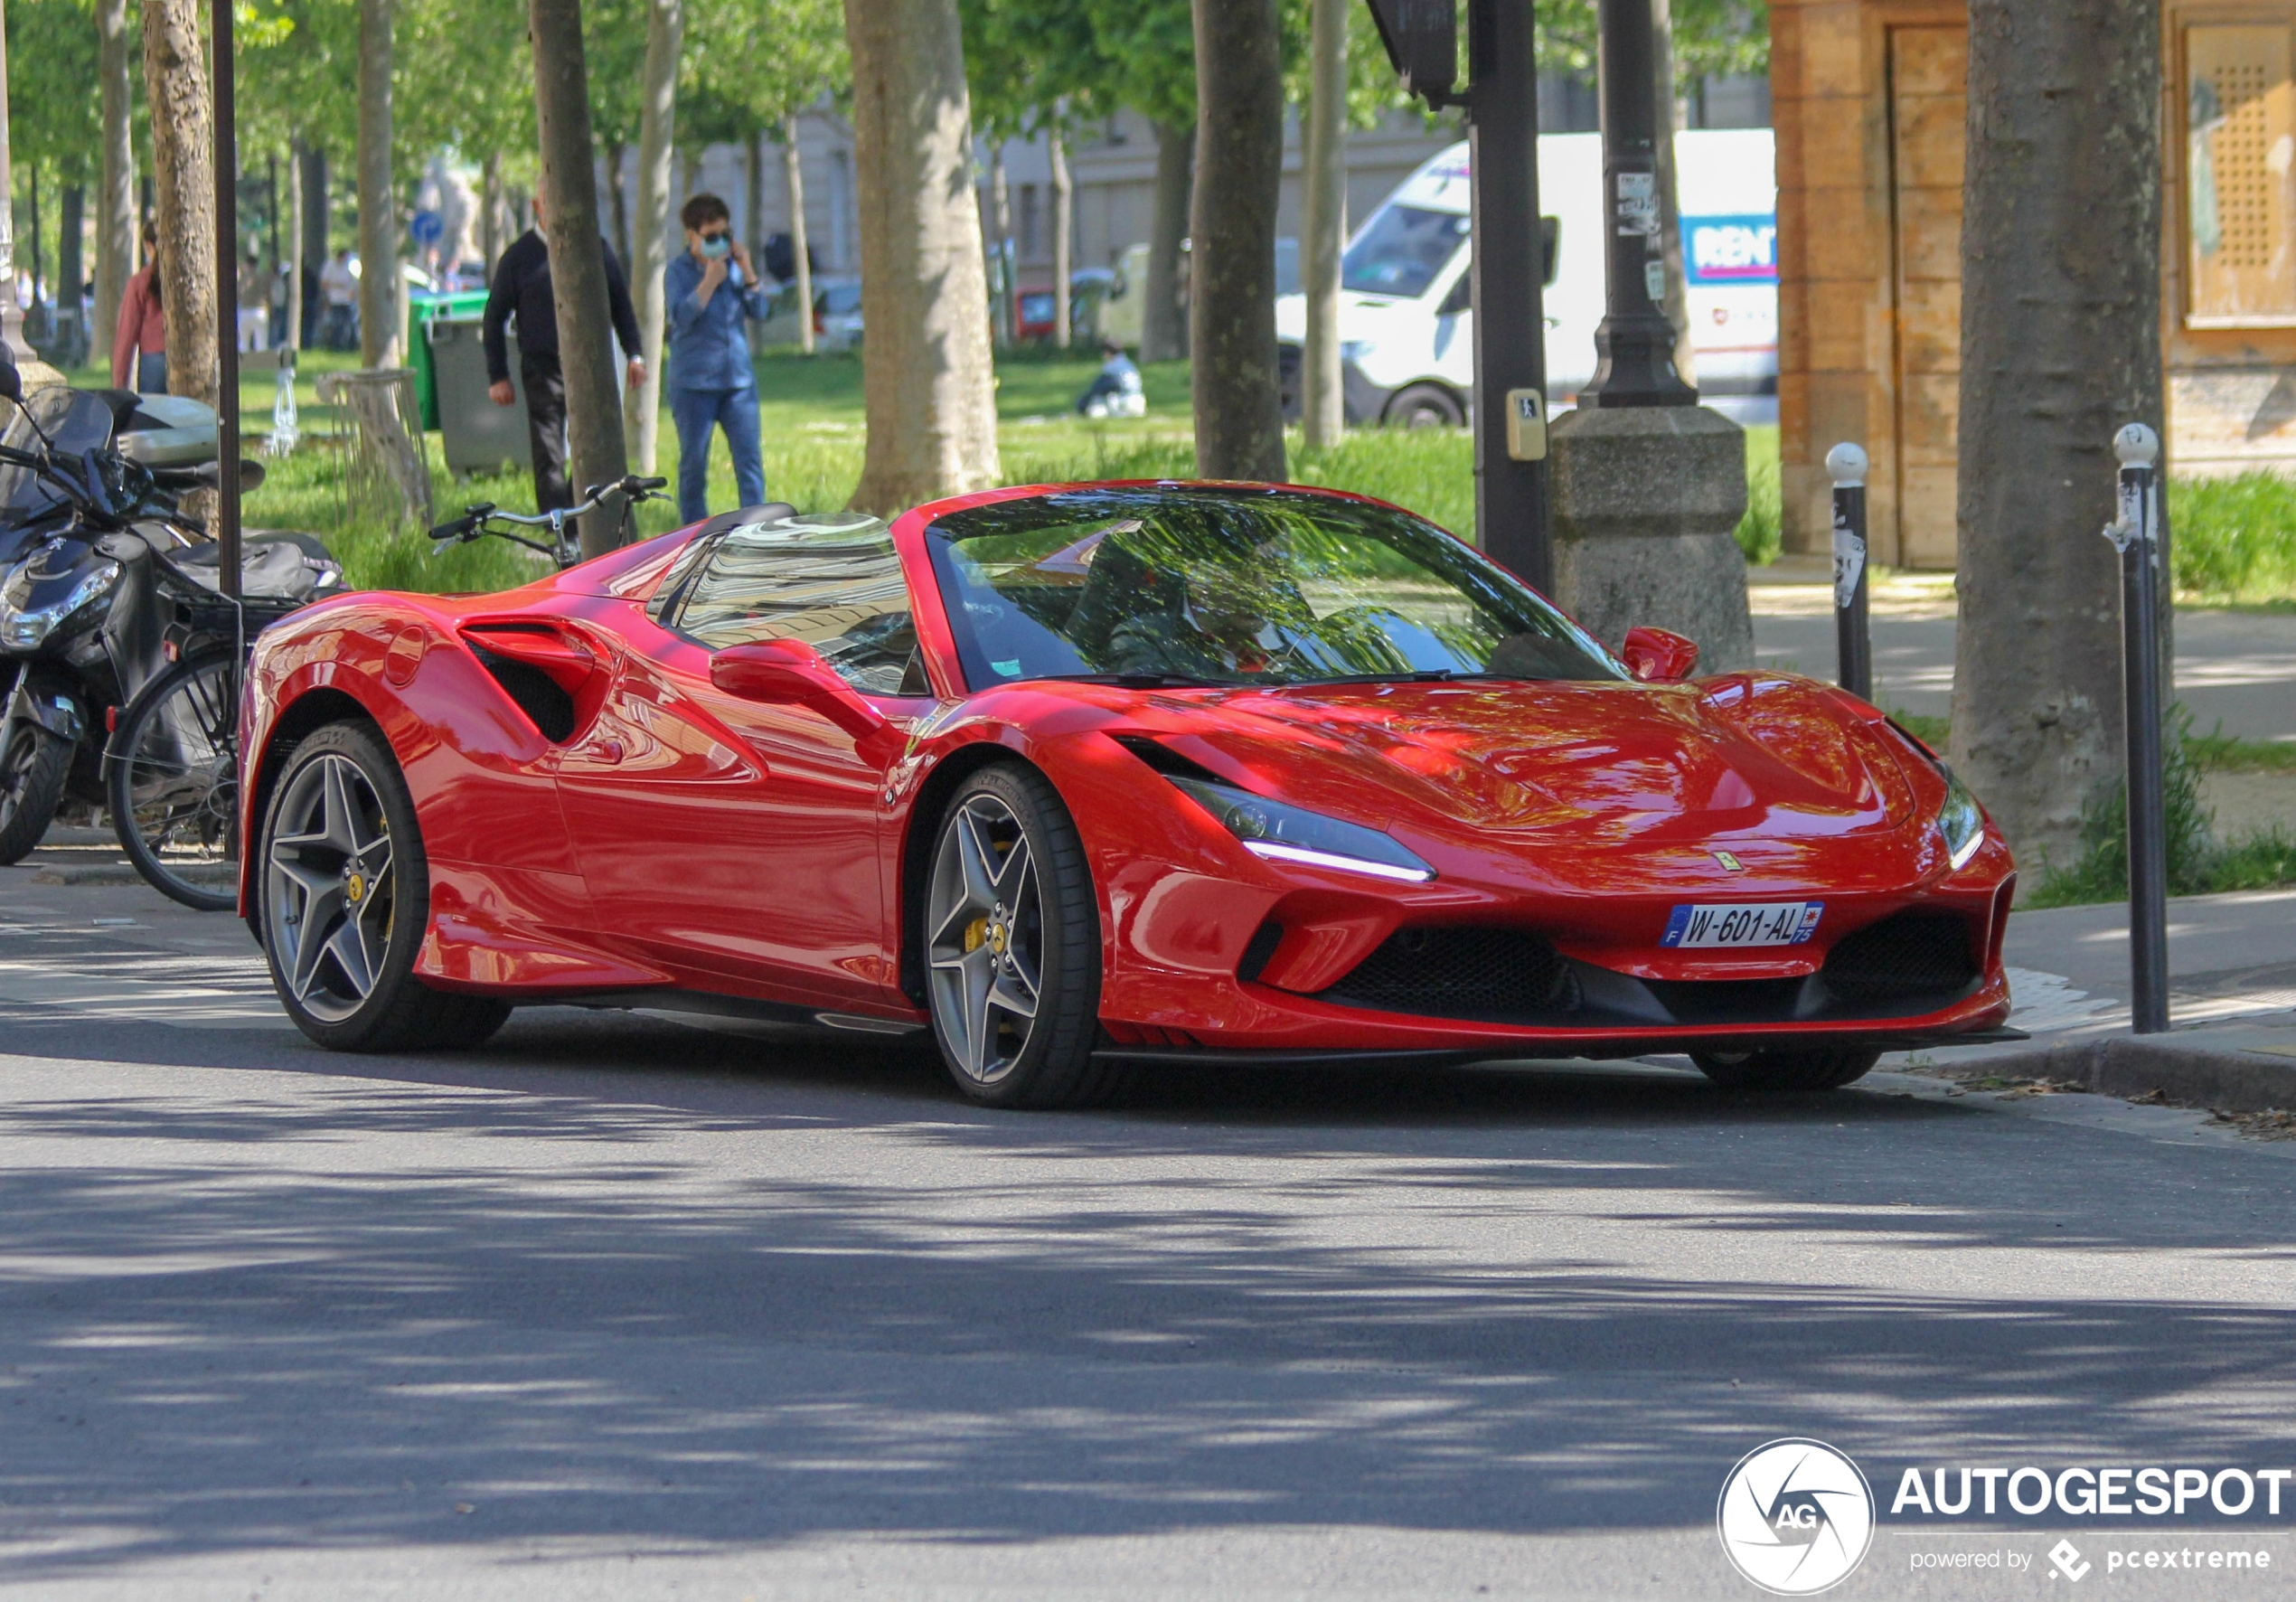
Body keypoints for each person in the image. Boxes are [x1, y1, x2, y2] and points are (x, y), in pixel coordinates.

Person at [482, 188, 646, 514]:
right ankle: (557, 528)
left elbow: (621, 306)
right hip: (542, 370)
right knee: (549, 453)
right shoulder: (519, 257)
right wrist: (498, 375)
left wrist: (635, 354)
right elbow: (494, 317)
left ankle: (587, 519)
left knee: (592, 448)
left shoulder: (595, 249)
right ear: (536, 206)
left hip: (591, 367)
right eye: (549, 200)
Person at [662, 193, 767, 523]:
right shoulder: (677, 271)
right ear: (691, 236)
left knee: (749, 462)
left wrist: (748, 271)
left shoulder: (734, 268)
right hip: (694, 384)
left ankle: (756, 531)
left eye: (724, 234)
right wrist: (708, 283)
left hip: (737, 382)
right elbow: (681, 317)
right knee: (694, 464)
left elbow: (760, 310)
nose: (718, 242)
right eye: (710, 237)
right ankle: (693, 535)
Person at [110, 221, 167, 394]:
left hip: (153, 363)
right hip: (188, 361)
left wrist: (119, 382)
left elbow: (126, 335)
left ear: (148, 246)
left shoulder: (139, 283)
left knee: (154, 419)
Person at [1076, 336, 1145, 417]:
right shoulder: (1128, 364)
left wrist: (1084, 401)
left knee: (1095, 411)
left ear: (1108, 352)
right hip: (1139, 401)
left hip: (1123, 403)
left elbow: (1099, 388)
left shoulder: (1111, 367)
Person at [318, 249, 358, 351]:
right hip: (335, 299)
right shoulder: (330, 266)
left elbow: (353, 283)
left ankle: (351, 346)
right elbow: (324, 283)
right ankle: (336, 346)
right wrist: (337, 285)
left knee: (350, 323)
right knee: (337, 324)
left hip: (347, 300)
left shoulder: (348, 267)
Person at [237, 250, 270, 352]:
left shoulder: (243, 278)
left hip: (245, 311)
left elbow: (238, 293)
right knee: (261, 342)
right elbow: (268, 293)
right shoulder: (263, 277)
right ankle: (261, 364)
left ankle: (243, 365)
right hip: (260, 310)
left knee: (243, 343)